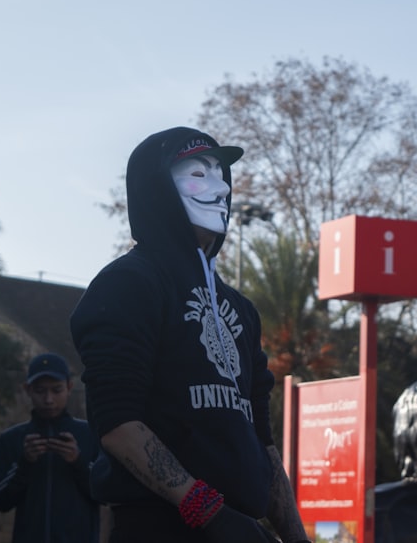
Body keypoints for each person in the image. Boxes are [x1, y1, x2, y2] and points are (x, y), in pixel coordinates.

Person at [70, 126, 310, 543]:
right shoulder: (128, 284)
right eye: (198, 174)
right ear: (155, 189)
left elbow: (262, 441)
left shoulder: (241, 309)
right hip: (158, 527)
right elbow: (117, 423)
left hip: (241, 527)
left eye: (221, 173)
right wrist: (210, 514)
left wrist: (297, 538)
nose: (219, 188)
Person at [0, 352, 101, 542]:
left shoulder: (90, 434)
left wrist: (78, 462)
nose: (48, 399)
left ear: (69, 388)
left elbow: (106, 494)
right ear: (28, 389)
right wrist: (25, 464)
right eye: (40, 391)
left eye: (56, 390)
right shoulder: (11, 438)